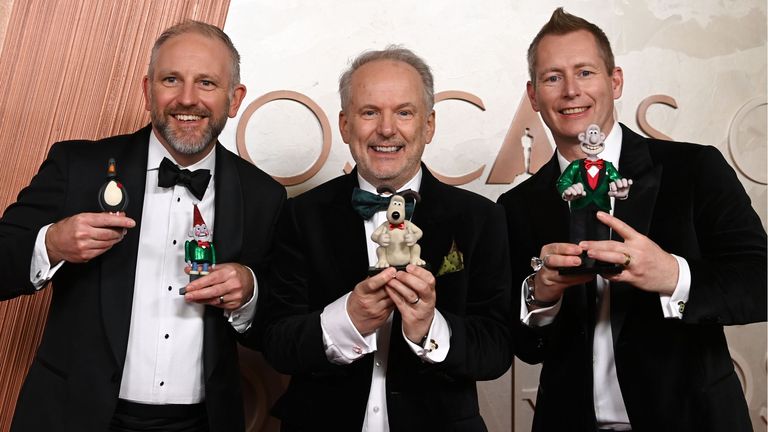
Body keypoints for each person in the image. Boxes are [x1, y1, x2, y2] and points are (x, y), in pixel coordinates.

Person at [0, 21, 285, 432]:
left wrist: (249, 294)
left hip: (201, 424)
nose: (187, 99)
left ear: (234, 98)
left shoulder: (264, 196)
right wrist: (52, 243)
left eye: (206, 82)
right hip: (73, 417)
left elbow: (279, 330)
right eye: (171, 79)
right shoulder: (76, 166)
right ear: (147, 90)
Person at [497, 8, 767, 432]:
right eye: (553, 78)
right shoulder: (516, 206)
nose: (571, 91)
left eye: (585, 72)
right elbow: (523, 347)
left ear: (615, 81)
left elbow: (760, 281)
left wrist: (672, 275)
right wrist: (541, 295)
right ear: (533, 96)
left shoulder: (694, 169)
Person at [259, 46, 512, 431]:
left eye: (404, 112)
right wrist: (347, 320)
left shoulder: (480, 218)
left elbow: (495, 351)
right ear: (345, 125)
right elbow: (277, 343)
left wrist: (430, 327)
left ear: (428, 125)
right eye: (370, 112)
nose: (387, 129)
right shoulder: (299, 214)